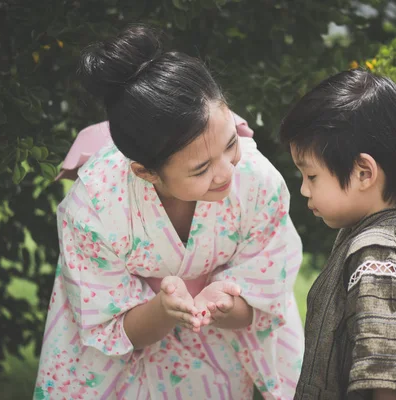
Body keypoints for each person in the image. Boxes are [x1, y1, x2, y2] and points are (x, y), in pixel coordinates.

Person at [34, 25, 304, 400]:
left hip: (221, 337)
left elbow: (264, 300)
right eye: (201, 169)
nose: (226, 172)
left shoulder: (258, 182)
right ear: (146, 172)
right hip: (126, 342)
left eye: (230, 145)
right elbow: (111, 326)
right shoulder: (96, 206)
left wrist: (225, 305)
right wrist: (164, 310)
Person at [279, 69, 396, 400]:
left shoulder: (376, 256)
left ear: (364, 173)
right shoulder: (367, 237)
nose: (303, 189)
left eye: (312, 175)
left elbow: (385, 378)